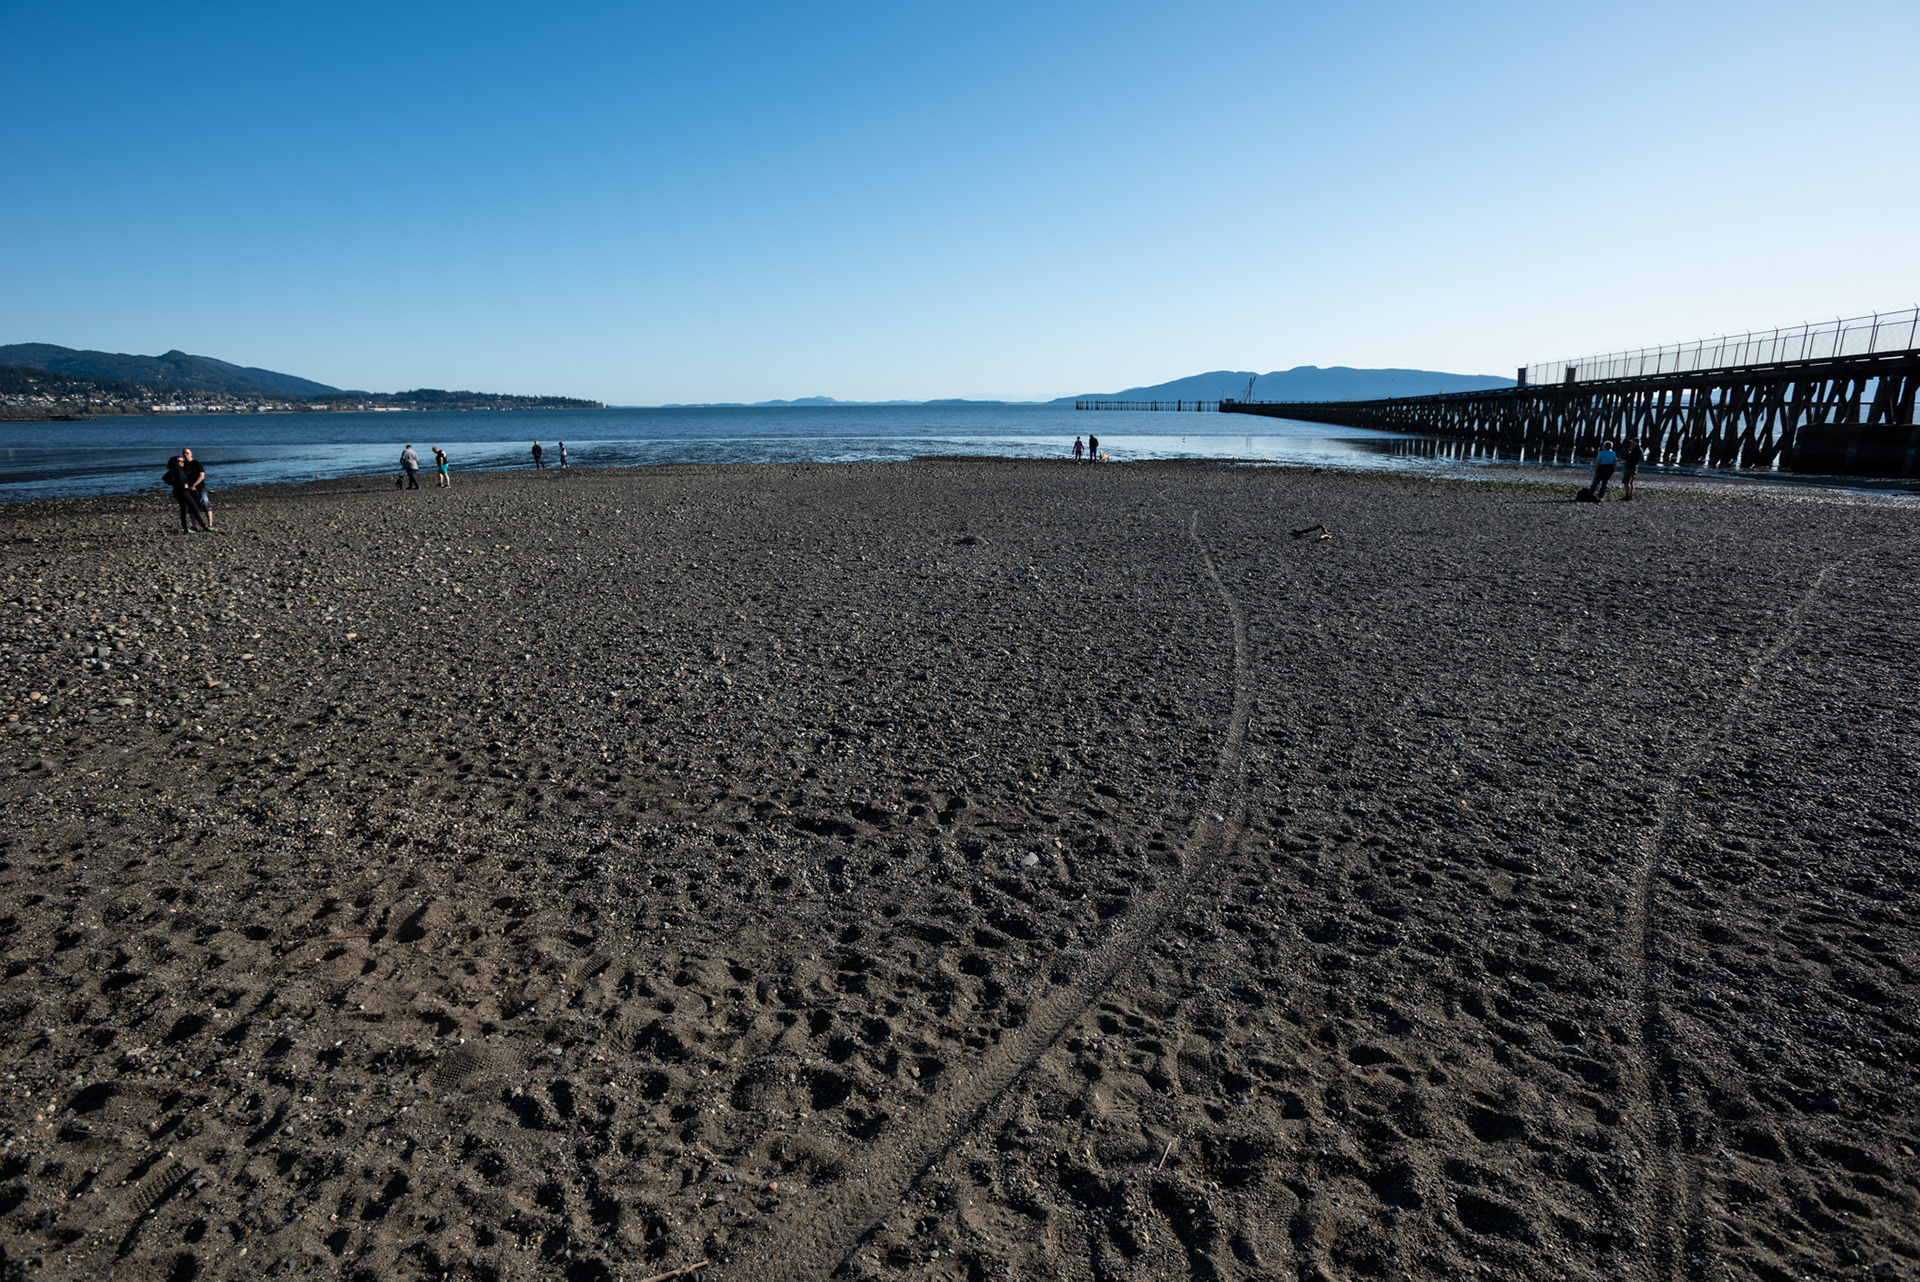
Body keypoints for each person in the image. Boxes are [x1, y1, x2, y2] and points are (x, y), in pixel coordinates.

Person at [162, 455, 198, 533]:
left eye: (183, 461)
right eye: (180, 461)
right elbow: (165, 478)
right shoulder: (176, 469)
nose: (182, 462)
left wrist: (184, 484)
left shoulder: (177, 469)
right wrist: (179, 484)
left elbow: (167, 478)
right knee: (193, 507)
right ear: (175, 462)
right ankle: (204, 526)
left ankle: (185, 528)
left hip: (179, 491)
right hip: (182, 491)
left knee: (184, 509)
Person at [180, 447, 213, 530]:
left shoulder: (197, 464)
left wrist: (194, 485)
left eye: (187, 453)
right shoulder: (182, 465)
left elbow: (201, 476)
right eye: (184, 453)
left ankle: (210, 524)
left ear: (191, 454)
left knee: (205, 505)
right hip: (188, 488)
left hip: (199, 487)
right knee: (191, 507)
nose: (185, 454)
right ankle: (194, 525)